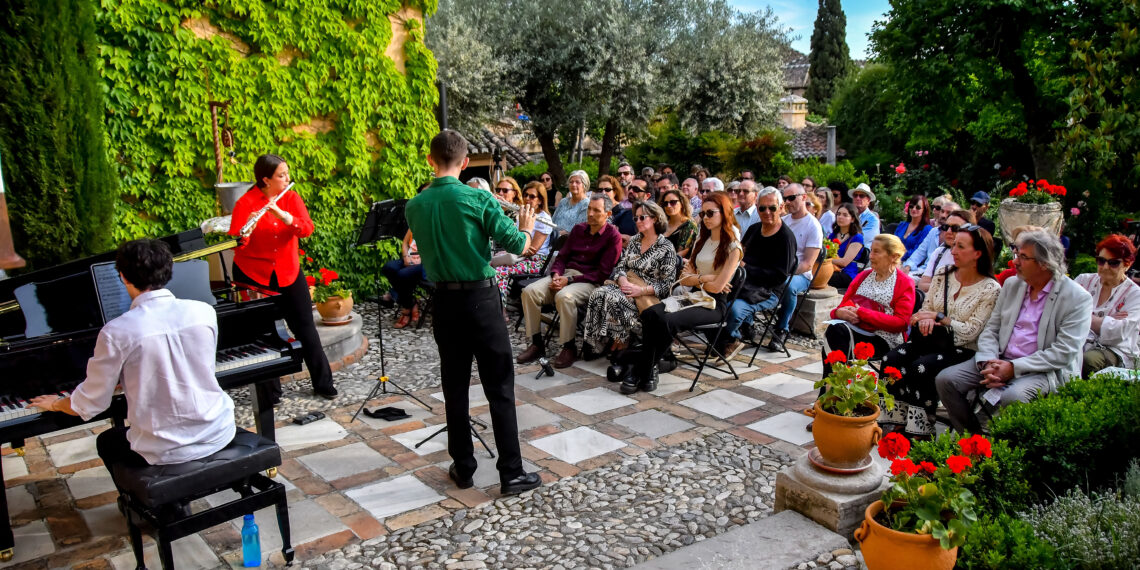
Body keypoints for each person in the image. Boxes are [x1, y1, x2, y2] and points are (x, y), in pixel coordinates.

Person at [30, 239, 238, 488]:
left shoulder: (117, 331)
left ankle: (141, 506)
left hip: (165, 449)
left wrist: (55, 403)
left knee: (107, 441)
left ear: (123, 276)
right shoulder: (204, 311)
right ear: (169, 271)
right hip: (218, 430)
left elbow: (92, 402)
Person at [404, 130, 541, 495]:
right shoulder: (477, 199)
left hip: (444, 303)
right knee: (499, 385)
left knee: (455, 385)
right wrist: (526, 227)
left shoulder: (414, 205)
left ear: (430, 160)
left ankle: (463, 466)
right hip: (481, 300)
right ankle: (511, 472)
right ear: (465, 163)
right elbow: (517, 246)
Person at [935, 230, 1093, 433]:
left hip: (1042, 370)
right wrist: (988, 361)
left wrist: (1013, 367)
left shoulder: (1077, 297)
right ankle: (973, 440)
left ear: (1045, 263)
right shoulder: (1012, 285)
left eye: (1023, 257)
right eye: (1016, 254)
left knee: (1014, 396)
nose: (1015, 262)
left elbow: (1064, 351)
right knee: (947, 380)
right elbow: (992, 329)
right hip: (998, 360)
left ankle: (1010, 450)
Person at [228, 154, 335, 401]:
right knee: (264, 333)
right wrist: (246, 233)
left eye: (287, 173)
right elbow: (237, 243)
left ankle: (323, 383)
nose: (287, 178)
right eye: (281, 175)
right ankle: (269, 393)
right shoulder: (245, 204)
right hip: (255, 274)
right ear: (265, 180)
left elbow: (307, 228)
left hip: (288, 270)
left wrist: (287, 218)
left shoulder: (291, 197)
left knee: (306, 328)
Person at [881, 225, 1001, 438]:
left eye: (960, 246)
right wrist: (927, 319)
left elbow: (971, 332)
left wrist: (940, 319)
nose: (953, 251)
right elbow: (925, 310)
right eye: (953, 245)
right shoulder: (943, 274)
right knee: (890, 360)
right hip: (930, 340)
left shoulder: (990, 289)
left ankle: (920, 429)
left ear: (978, 254)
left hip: (962, 349)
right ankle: (896, 420)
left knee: (921, 368)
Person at [633, 192, 743, 393]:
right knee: (650, 314)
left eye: (711, 213)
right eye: (703, 214)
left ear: (725, 213)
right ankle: (651, 367)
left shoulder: (733, 247)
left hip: (713, 305)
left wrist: (701, 279)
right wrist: (707, 279)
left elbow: (718, 288)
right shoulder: (703, 239)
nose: (706, 218)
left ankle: (643, 369)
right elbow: (686, 275)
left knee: (667, 321)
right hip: (693, 296)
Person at [518, 194, 622, 368]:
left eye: (596, 210)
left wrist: (570, 279)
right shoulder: (578, 229)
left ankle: (569, 346)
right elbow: (562, 257)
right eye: (589, 209)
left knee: (565, 297)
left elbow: (602, 274)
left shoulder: (613, 236)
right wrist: (556, 275)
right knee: (529, 292)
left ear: (608, 213)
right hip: (565, 275)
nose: (590, 213)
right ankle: (536, 343)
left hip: (590, 281)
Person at [582, 201, 677, 359]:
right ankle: (594, 343)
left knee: (613, 298)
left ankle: (622, 340)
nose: (638, 221)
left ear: (654, 219)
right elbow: (620, 267)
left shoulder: (666, 247)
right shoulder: (634, 241)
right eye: (636, 218)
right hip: (626, 286)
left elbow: (667, 285)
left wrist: (640, 290)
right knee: (598, 294)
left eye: (642, 217)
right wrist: (623, 281)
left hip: (648, 294)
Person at [822, 234, 916, 379]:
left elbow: (901, 323)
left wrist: (862, 313)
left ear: (893, 256)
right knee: (835, 331)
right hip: (854, 330)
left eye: (876, 252)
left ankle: (833, 390)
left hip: (882, 338)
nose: (871, 256)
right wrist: (839, 313)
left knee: (837, 334)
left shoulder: (904, 283)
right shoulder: (864, 276)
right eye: (871, 250)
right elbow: (840, 308)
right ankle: (836, 389)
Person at [721, 187, 796, 357]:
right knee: (713, 298)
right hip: (743, 283)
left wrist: (746, 268)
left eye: (772, 208)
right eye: (762, 208)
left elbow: (780, 276)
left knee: (732, 310)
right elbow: (740, 253)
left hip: (767, 290)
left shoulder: (786, 238)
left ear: (781, 207)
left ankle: (733, 338)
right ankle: (722, 337)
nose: (767, 212)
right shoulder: (754, 229)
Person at [1074, 234, 1140, 376]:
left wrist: (1082, 315)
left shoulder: (1135, 294)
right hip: (1077, 339)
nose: (1105, 267)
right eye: (1101, 260)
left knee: (1086, 361)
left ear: (1127, 265)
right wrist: (1105, 321)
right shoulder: (1083, 280)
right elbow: (1062, 312)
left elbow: (1117, 333)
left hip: (1115, 349)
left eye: (1113, 263)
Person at [769, 183, 823, 353]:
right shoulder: (782, 221)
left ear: (804, 197)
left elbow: (807, 263)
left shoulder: (813, 226)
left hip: (800, 274)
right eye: (785, 198)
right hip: (779, 268)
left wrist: (784, 272)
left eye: (792, 198)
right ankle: (744, 325)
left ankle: (782, 329)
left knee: (788, 285)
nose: (787, 202)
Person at [492, 181, 557, 304]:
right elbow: (517, 241)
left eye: (532, 196)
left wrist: (511, 251)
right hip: (521, 256)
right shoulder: (523, 214)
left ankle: (502, 310)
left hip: (537, 261)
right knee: (489, 266)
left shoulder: (544, 218)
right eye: (525, 195)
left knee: (499, 272)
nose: (527, 198)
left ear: (540, 200)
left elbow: (532, 250)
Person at [917, 209, 975, 293]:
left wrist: (935, 286)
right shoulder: (939, 252)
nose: (948, 231)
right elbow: (922, 285)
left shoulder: (971, 258)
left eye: (955, 228)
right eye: (946, 227)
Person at [381, 229, 426, 329]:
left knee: (402, 274)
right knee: (388, 268)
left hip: (425, 263)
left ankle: (406, 308)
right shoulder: (414, 222)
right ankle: (411, 302)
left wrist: (421, 260)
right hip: (409, 258)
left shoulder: (432, 223)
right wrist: (406, 257)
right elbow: (405, 243)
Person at [903, 202, 958, 279]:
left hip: (943, 277)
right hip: (923, 272)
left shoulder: (958, 236)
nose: (943, 215)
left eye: (948, 213)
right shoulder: (933, 231)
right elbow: (919, 252)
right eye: (942, 211)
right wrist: (908, 266)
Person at [828, 204, 865, 290]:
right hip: (831, 268)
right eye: (838, 214)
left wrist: (825, 260)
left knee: (819, 275)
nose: (840, 217)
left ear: (852, 219)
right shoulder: (832, 235)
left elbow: (844, 262)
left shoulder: (857, 238)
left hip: (847, 273)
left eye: (845, 215)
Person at [659, 189, 699, 257]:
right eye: (665, 203)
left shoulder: (689, 225)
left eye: (673, 202)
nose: (668, 206)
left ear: (682, 203)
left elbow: (682, 253)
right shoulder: (661, 223)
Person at [894, 195, 933, 263]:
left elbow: (918, 251)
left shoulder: (927, 229)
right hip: (894, 259)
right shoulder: (902, 225)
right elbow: (892, 243)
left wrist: (898, 255)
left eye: (918, 207)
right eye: (911, 206)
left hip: (911, 264)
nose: (914, 209)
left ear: (924, 210)